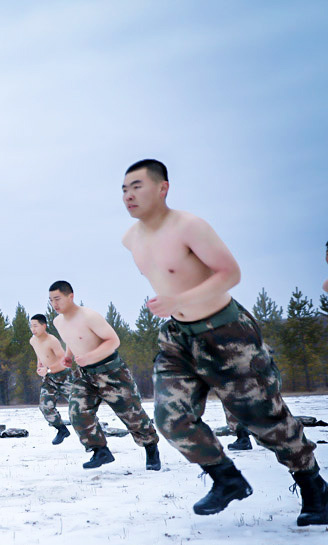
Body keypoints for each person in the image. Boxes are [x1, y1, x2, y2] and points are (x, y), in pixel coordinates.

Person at [121, 158, 324, 524]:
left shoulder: (189, 226)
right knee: (170, 416)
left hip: (227, 334)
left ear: (162, 188)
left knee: (265, 419)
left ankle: (314, 487)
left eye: (137, 186)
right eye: (124, 189)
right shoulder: (130, 238)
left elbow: (230, 273)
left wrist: (177, 300)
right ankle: (226, 479)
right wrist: (172, 306)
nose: (128, 195)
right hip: (179, 337)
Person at [49, 281, 162, 471]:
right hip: (85, 375)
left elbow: (113, 340)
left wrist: (90, 356)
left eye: (57, 299)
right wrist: (68, 356)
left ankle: (151, 447)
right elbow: (70, 339)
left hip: (112, 372)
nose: (54, 304)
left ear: (71, 296)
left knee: (131, 415)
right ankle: (100, 451)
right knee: (78, 412)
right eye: (51, 300)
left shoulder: (89, 316)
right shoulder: (58, 321)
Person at [28, 315, 73, 445]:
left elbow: (62, 359)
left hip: (64, 377)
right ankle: (62, 430)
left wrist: (47, 368)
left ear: (44, 326)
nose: (33, 329)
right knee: (45, 406)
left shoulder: (52, 340)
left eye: (35, 326)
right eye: (31, 326)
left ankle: (94, 431)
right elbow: (40, 354)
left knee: (78, 407)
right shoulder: (33, 341)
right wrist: (40, 366)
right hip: (50, 379)